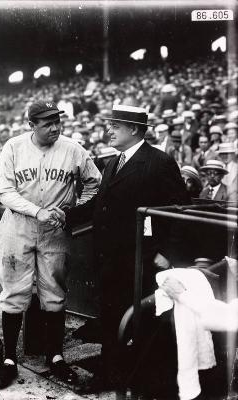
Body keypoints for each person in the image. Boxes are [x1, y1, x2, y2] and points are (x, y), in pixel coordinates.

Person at [59, 104, 189, 391]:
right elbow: (100, 204)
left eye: (115, 126)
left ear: (134, 129)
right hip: (110, 259)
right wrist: (68, 215)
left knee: (137, 323)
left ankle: (137, 382)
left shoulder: (159, 162)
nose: (109, 130)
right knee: (110, 320)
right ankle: (109, 376)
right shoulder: (113, 163)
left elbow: (180, 211)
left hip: (139, 261)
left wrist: (167, 253)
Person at [0, 100, 101, 389]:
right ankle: (9, 360)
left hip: (55, 229)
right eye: (47, 123)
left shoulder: (73, 148)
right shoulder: (13, 147)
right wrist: (36, 210)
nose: (55, 127)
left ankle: (55, 357)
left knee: (54, 294)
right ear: (31, 125)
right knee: (14, 294)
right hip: (18, 226)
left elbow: (95, 184)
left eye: (57, 121)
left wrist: (75, 210)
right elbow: (3, 190)